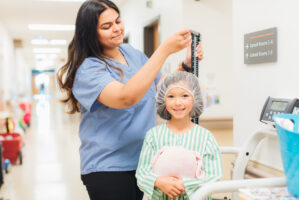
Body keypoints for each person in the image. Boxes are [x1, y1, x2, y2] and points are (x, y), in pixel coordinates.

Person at [56, 0, 203, 199]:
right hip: (107, 167)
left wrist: (185, 65)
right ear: (91, 32)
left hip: (141, 162)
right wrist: (164, 49)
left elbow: (162, 88)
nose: (116, 29)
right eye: (106, 26)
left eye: (118, 21)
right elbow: (125, 97)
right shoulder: (89, 68)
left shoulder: (132, 53)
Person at [136, 71, 223, 200]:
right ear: (162, 99)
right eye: (171, 96)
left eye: (184, 96)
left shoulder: (206, 138)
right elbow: (142, 173)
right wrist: (159, 182)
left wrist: (184, 184)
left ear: (195, 98)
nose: (177, 102)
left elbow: (214, 176)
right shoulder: (153, 136)